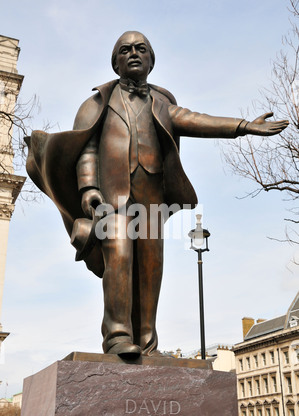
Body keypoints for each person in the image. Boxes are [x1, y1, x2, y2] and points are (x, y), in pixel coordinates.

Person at [26, 31, 288, 359]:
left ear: (151, 60)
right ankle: (118, 337)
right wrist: (89, 189)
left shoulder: (161, 104)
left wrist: (243, 126)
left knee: (151, 269)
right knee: (119, 260)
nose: (134, 53)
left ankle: (148, 343)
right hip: (113, 200)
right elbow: (87, 149)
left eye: (141, 49)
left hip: (151, 203)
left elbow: (198, 120)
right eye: (125, 50)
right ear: (115, 61)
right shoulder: (98, 104)